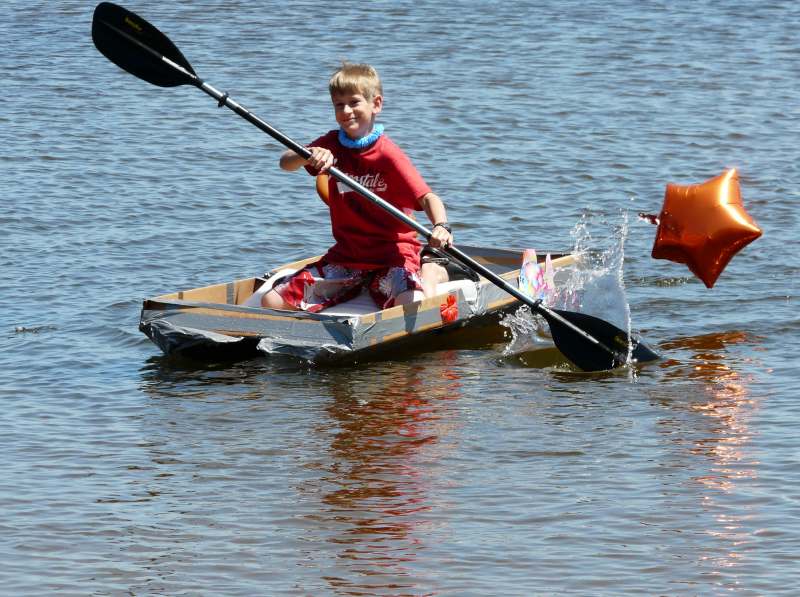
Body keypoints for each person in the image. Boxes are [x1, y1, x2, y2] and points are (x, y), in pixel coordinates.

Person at [262, 62, 453, 312]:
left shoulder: (388, 155)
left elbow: (427, 197)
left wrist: (441, 226)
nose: (346, 111)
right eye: (339, 105)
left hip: (392, 258)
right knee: (271, 301)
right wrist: (307, 155)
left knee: (411, 305)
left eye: (354, 102)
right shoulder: (330, 143)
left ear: (376, 104)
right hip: (347, 257)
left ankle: (432, 267)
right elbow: (285, 163)